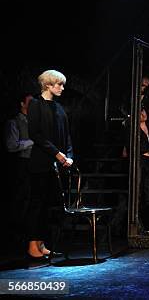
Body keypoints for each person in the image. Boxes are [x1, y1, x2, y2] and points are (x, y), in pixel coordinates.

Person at [26, 70, 73, 262]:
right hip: (40, 162)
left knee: (47, 205)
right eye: (58, 84)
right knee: (37, 204)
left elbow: (67, 135)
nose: (62, 88)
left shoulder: (59, 108)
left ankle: (41, 244)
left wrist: (69, 155)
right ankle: (32, 245)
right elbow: (35, 134)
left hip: (56, 164)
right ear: (48, 85)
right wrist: (57, 154)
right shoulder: (36, 105)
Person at [122, 108, 149, 230]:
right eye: (141, 112)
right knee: (136, 192)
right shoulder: (132, 128)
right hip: (139, 160)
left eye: (144, 111)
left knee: (148, 195)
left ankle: (141, 219)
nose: (144, 114)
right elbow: (130, 146)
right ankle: (136, 223)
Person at [4, 93, 34, 245]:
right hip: (21, 164)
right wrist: (30, 142)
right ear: (22, 104)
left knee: (31, 199)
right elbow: (11, 145)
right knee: (20, 199)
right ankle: (16, 234)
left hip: (32, 164)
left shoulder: (33, 121)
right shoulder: (14, 122)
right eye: (29, 102)